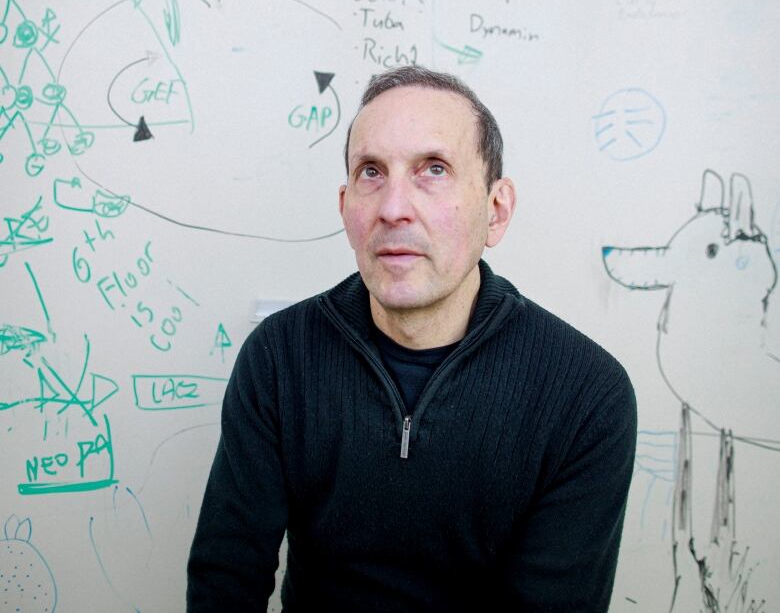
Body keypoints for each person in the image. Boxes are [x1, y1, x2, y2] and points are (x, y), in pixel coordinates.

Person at [187, 65, 637, 612]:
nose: (393, 207)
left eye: (434, 169)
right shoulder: (280, 358)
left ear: (496, 211)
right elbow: (225, 578)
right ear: (345, 207)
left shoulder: (586, 395)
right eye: (371, 172)